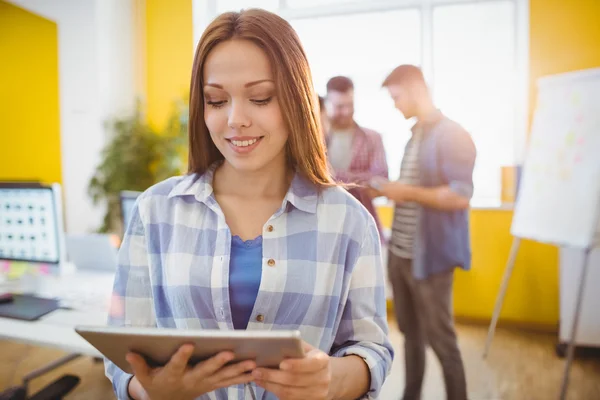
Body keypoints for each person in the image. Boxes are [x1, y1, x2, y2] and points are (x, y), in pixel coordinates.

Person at [104, 9, 393, 400]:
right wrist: (148, 389)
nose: (235, 119)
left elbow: (371, 350)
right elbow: (123, 350)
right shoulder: (155, 211)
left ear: (296, 98)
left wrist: (331, 379)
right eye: (216, 100)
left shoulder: (348, 221)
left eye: (260, 97)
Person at [375, 65, 476, 400]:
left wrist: (406, 192)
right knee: (410, 337)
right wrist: (394, 190)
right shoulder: (414, 134)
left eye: (396, 96)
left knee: (442, 343)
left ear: (416, 89)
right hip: (401, 255)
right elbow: (414, 191)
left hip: (430, 261)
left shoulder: (453, 134)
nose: (394, 105)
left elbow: (460, 196)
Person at [324, 76, 388, 240]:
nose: (345, 111)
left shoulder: (372, 138)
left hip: (363, 226)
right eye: (339, 106)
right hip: (324, 226)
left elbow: (381, 182)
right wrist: (360, 180)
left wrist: (331, 177)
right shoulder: (315, 139)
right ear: (327, 104)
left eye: (349, 105)